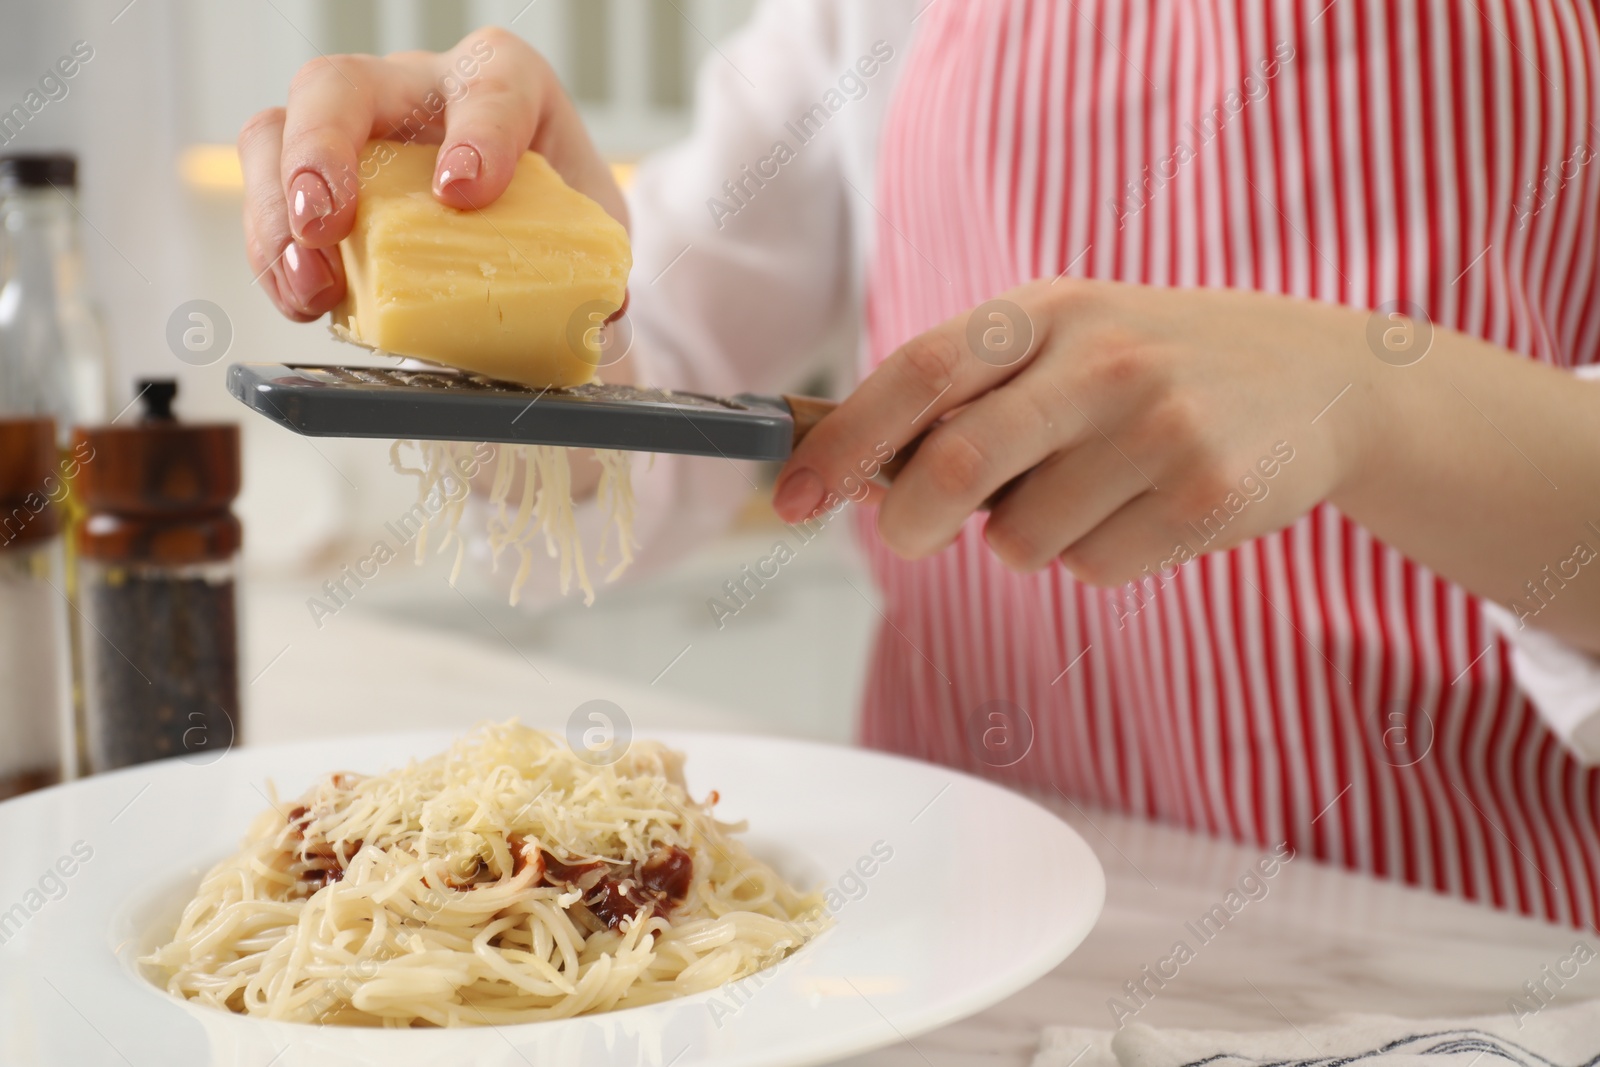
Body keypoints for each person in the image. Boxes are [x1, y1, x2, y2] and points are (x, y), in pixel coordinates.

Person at [239, 2, 1600, 929]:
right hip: (947, 949)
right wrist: (521, 298)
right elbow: (614, 478)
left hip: (1482, 970)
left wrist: (1373, 397)